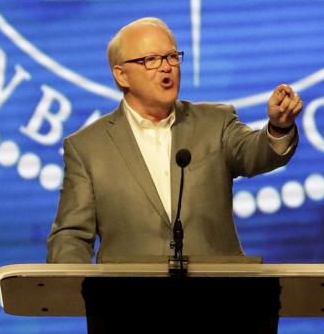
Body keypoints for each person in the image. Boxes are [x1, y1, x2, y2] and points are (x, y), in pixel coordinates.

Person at [46, 17, 302, 262]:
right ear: (121, 75)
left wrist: (279, 128)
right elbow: (71, 236)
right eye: (152, 60)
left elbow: (255, 154)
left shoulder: (215, 122)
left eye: (171, 56)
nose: (167, 67)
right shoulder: (88, 147)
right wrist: (73, 287)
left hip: (218, 296)